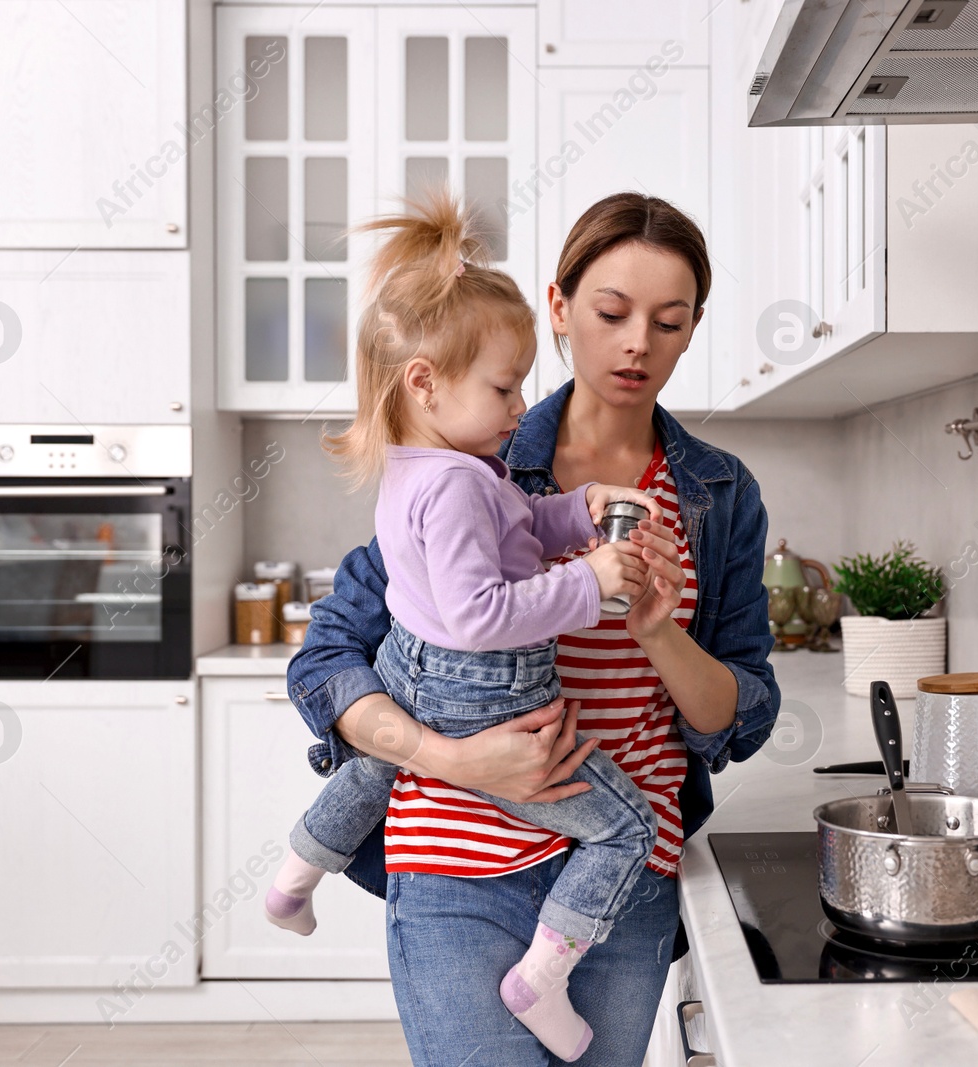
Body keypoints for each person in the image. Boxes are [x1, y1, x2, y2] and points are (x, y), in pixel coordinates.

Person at [288, 192, 780, 1067]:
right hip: (458, 865)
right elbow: (327, 657)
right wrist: (451, 757)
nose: (638, 343)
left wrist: (658, 628)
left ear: (693, 327)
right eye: (612, 312)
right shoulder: (472, 461)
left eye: (669, 321)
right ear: (558, 306)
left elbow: (737, 718)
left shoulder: (719, 494)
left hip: (623, 886)